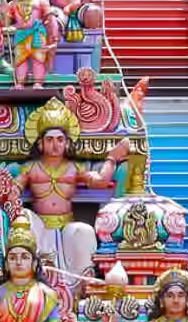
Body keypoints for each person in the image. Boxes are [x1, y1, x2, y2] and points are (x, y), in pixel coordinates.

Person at [10, 102, 133, 287]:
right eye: (50, 140)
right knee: (24, 217)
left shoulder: (74, 168)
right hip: (40, 228)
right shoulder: (31, 168)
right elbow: (14, 189)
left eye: (59, 139)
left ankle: (79, 291)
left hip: (67, 227)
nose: (55, 145)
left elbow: (100, 181)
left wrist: (111, 158)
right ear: (41, 143)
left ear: (66, 143)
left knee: (84, 231)